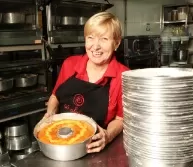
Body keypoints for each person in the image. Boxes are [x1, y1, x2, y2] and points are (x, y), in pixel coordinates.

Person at [44, 12, 129, 153]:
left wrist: (107, 136)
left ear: (116, 43)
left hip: (94, 147)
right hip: (61, 141)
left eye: (104, 39)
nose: (95, 46)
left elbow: (120, 119)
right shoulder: (70, 64)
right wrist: (50, 113)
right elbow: (55, 96)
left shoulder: (123, 76)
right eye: (90, 38)